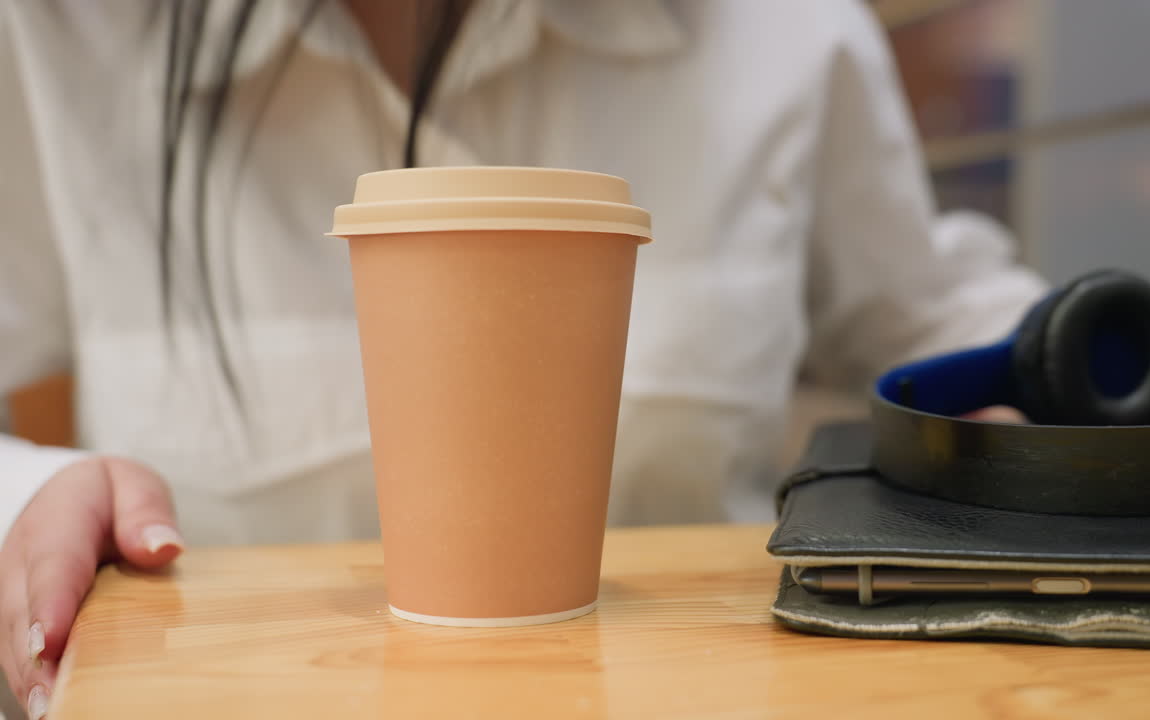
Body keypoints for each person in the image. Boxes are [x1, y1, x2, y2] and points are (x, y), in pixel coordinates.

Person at [0, 0, 1045, 715]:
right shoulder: (62, 35)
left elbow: (937, 322)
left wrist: (1066, 398)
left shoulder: (780, 30)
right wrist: (29, 496)